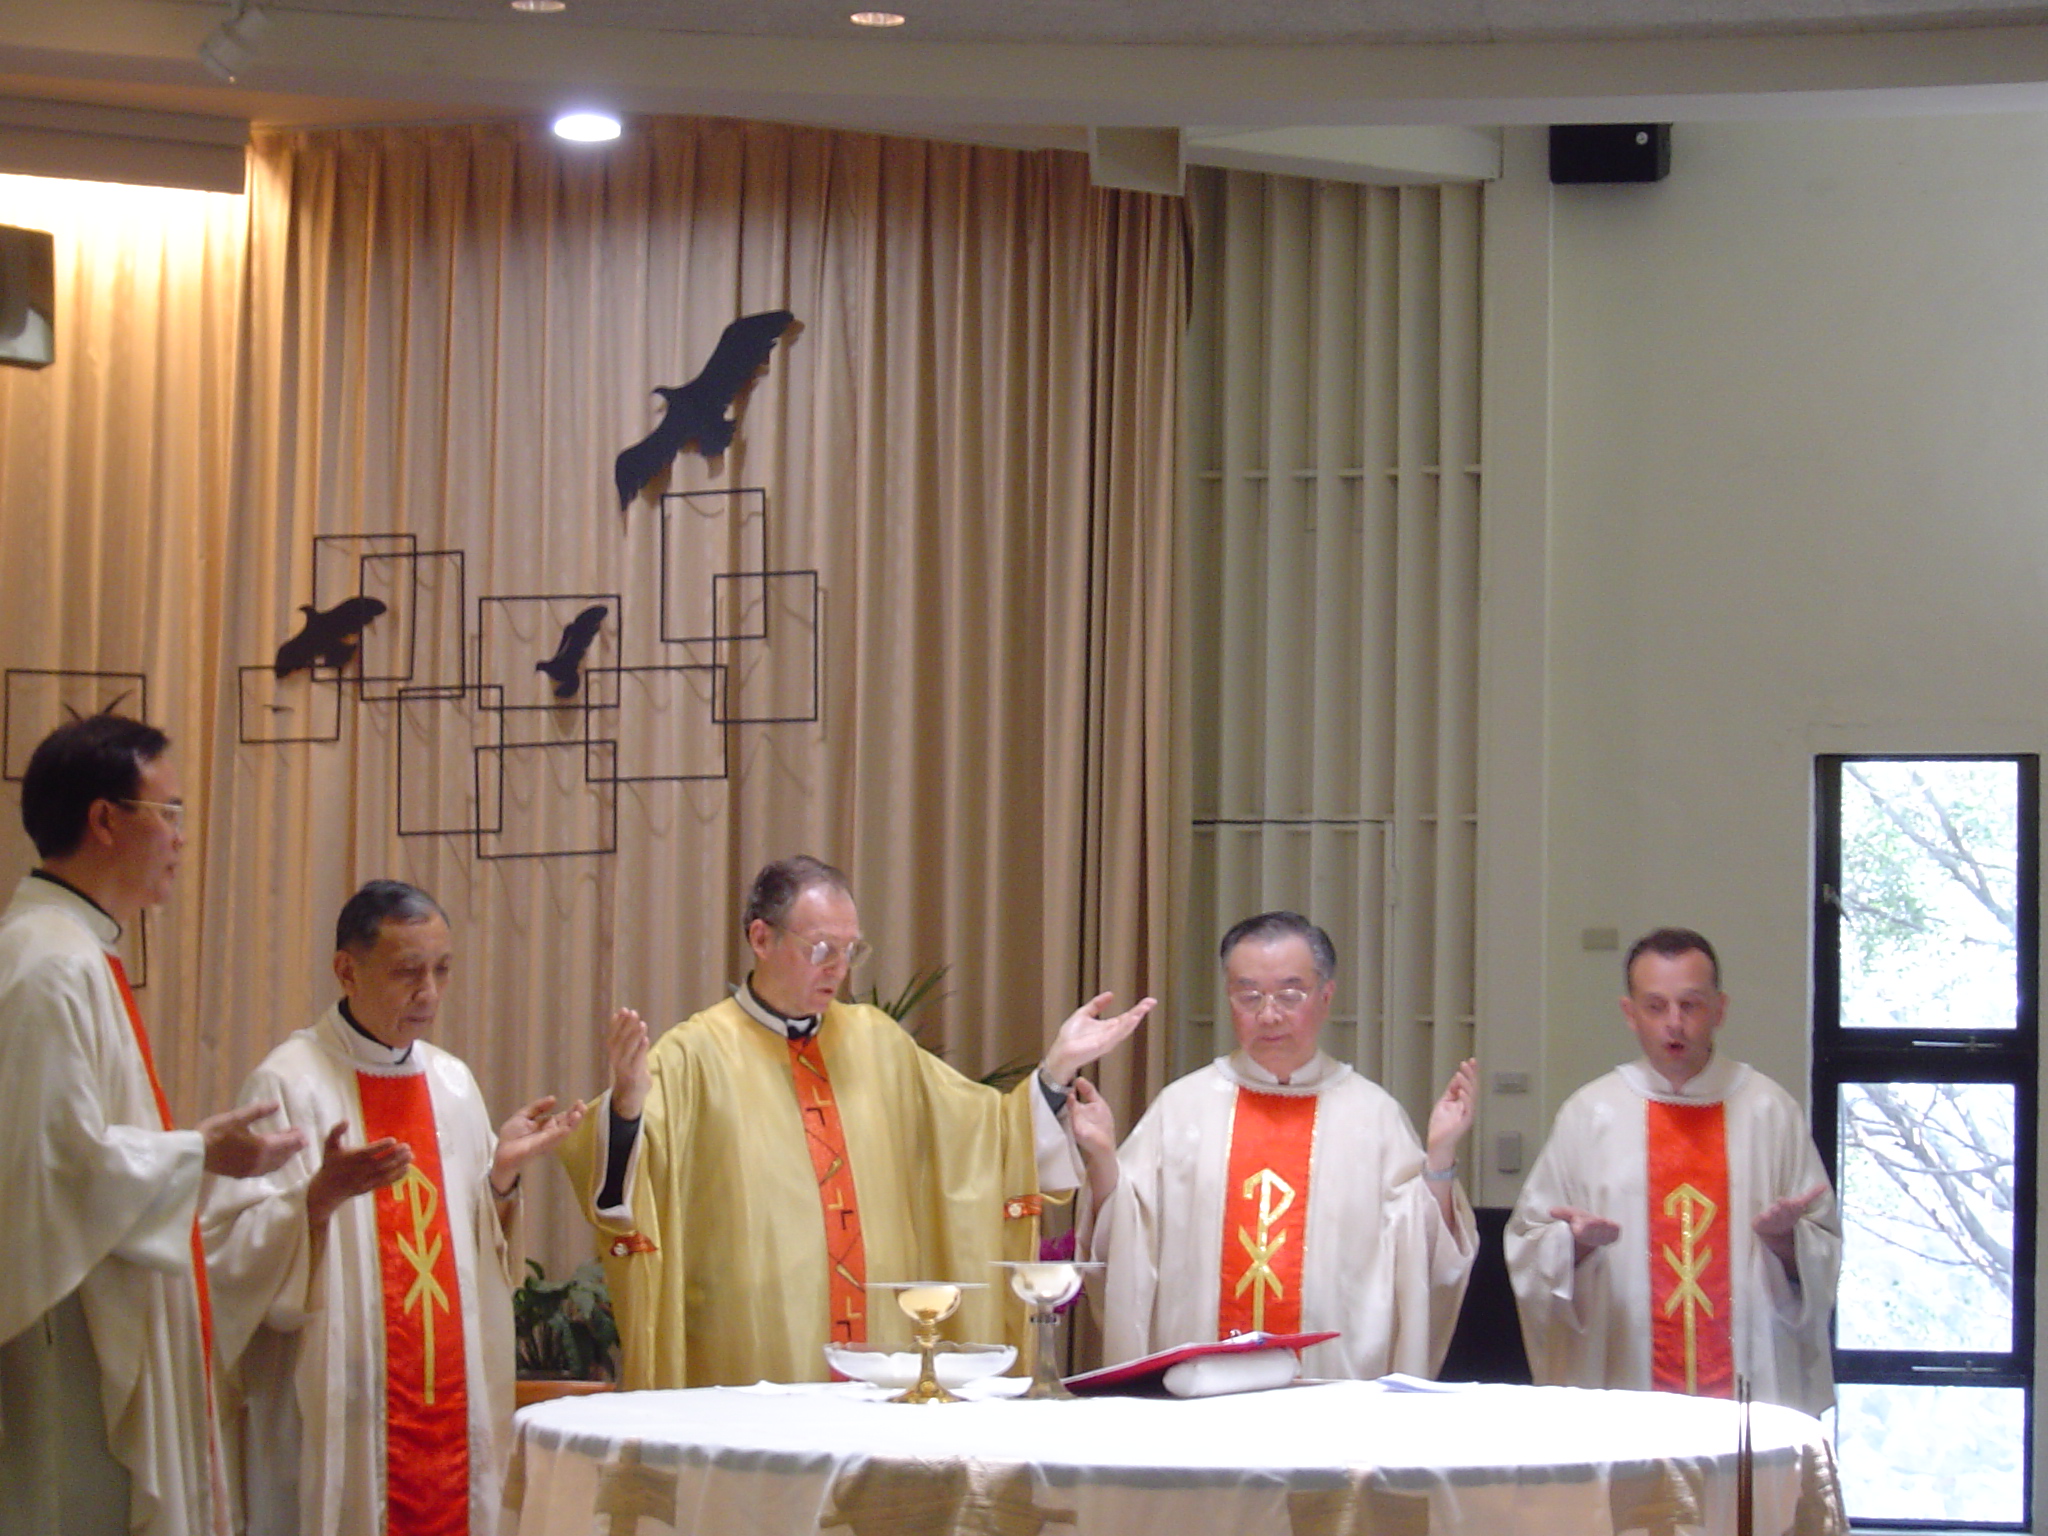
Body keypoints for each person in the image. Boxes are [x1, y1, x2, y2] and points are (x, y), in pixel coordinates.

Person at [558, 854, 1155, 1388]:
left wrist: (1055, 1071)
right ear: (761, 938)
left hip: (881, 1350)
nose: (839, 968)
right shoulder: (695, 1054)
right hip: (750, 1353)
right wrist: (627, 1108)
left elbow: (985, 1136)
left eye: (851, 950)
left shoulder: (878, 1043)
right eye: (821, 949)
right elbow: (627, 1194)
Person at [201, 881, 585, 1535]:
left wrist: (500, 1179)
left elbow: (474, 1264)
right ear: (346, 969)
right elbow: (226, 1257)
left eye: (442, 970)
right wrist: (314, 1200)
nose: (429, 993)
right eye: (408, 972)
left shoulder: (452, 1084)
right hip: (342, 1411)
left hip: (446, 1413)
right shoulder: (290, 1082)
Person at [0, 715, 305, 1536]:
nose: (180, 838)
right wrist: (200, 1152)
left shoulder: (71, 948)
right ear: (105, 820)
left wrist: (197, 1154)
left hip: (92, 1310)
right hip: (69, 1338)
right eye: (168, 813)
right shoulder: (49, 963)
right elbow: (50, 1171)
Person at [1080, 910, 1479, 1380]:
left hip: (1331, 1384)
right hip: (1201, 1388)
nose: (1268, 1015)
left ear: (1326, 996)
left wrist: (1440, 1156)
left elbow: (1422, 1257)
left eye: (1290, 995)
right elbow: (1124, 1237)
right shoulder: (1182, 1107)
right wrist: (1101, 1156)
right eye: (1248, 996)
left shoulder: (1372, 1115)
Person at [1505, 927, 1838, 1414]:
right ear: (1630, 1013)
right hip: (1627, 1380)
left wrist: (1787, 1243)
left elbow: (1822, 1252)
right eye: (1655, 1007)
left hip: (1745, 1386)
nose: (1674, 1024)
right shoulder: (1591, 1113)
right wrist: (1574, 1245)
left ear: (1720, 1009)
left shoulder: (1769, 1111)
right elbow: (1529, 1244)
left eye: (1691, 1005)